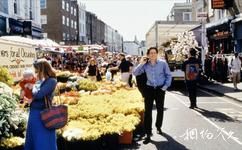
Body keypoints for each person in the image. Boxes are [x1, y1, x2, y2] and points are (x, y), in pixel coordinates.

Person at [133, 47, 172, 144]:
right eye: (151, 53)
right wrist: (141, 63)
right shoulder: (145, 65)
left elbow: (168, 75)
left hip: (160, 89)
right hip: (149, 90)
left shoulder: (163, 63)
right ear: (148, 54)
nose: (153, 54)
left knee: (160, 109)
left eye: (154, 53)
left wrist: (165, 86)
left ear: (157, 54)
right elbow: (135, 73)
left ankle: (158, 126)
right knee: (148, 112)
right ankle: (148, 133)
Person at [24, 59, 57, 150]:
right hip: (34, 113)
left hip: (43, 114)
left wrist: (32, 87)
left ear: (42, 69)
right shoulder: (40, 80)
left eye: (37, 70)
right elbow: (32, 94)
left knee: (43, 140)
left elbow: (39, 94)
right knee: (33, 138)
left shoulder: (51, 81)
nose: (36, 72)